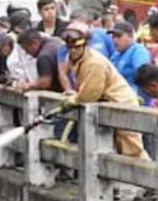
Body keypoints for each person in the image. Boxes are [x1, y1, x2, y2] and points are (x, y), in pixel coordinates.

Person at [62, 23, 147, 161]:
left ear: (85, 44)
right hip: (106, 103)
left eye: (76, 47)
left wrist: (75, 100)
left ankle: (146, 179)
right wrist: (76, 95)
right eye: (69, 47)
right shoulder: (73, 59)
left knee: (131, 149)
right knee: (110, 149)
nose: (73, 51)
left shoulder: (94, 63)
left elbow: (90, 94)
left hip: (121, 103)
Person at [108, 21, 152, 104]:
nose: (115, 40)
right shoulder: (115, 55)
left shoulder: (138, 51)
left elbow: (144, 76)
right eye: (113, 37)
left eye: (118, 36)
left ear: (130, 36)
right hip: (119, 100)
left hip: (137, 103)